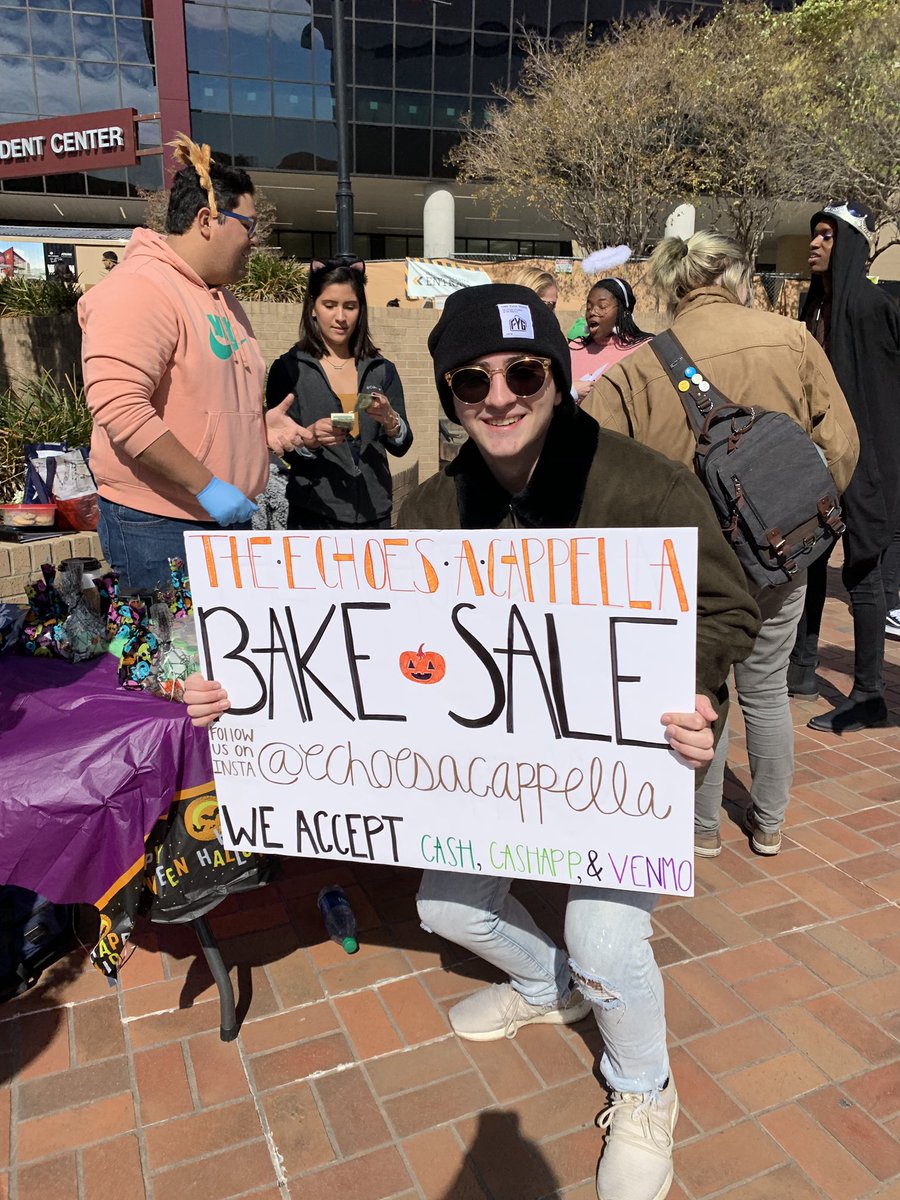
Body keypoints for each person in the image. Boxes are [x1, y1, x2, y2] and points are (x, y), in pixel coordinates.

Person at [185, 283, 760, 1200]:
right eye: (470, 380)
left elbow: (730, 605)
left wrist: (695, 684)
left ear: (557, 376)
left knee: (605, 933)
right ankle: (546, 987)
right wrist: (245, 692)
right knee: (449, 908)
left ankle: (643, 1088)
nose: (499, 396)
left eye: (523, 372)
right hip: (489, 777)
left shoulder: (646, 485)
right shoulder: (429, 510)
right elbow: (363, 644)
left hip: (629, 766)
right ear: (448, 394)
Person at [584, 232, 858, 857]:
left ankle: (700, 829)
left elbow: (590, 468)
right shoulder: (791, 340)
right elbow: (842, 447)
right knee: (765, 685)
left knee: (699, 688)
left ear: (674, 288)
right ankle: (769, 821)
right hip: (780, 554)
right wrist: (797, 521)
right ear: (735, 278)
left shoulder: (635, 370)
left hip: (686, 563)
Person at [79, 135, 304, 593]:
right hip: (160, 526)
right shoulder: (140, 288)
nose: (255, 240)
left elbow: (199, 405)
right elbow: (120, 408)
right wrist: (206, 486)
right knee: (173, 663)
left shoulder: (221, 297)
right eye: (249, 225)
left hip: (220, 521)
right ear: (208, 220)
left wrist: (256, 431)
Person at [787, 203, 900, 731]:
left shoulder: (871, 307)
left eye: (827, 236)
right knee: (810, 560)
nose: (814, 244)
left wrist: (872, 472)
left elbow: (879, 397)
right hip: (820, 458)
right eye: (815, 235)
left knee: (863, 573)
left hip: (870, 460)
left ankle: (871, 695)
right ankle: (802, 668)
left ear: (848, 245)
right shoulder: (815, 308)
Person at [265, 258, 413, 530]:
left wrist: (391, 422)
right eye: (329, 305)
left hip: (375, 515)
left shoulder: (381, 369)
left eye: (350, 306)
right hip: (314, 515)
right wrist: (309, 441)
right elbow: (283, 449)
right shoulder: (288, 370)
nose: (341, 317)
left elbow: (402, 445)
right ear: (312, 308)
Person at [570, 277, 652, 402]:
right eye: (588, 307)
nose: (592, 312)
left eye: (602, 306)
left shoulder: (644, 348)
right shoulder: (574, 348)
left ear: (623, 311)